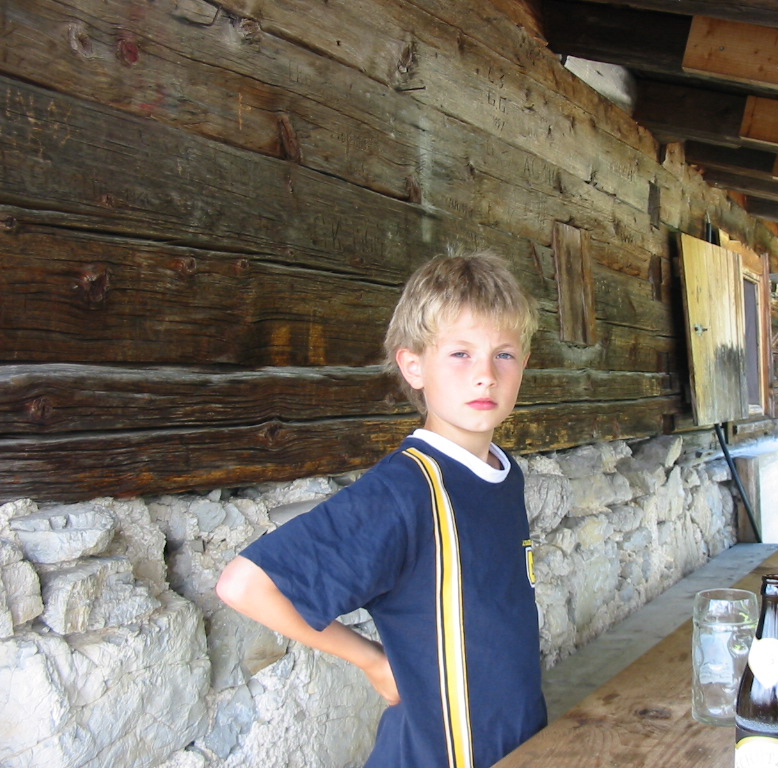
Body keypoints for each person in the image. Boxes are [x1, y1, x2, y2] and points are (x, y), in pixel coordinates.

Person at [216, 249, 547, 768]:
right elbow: (245, 584)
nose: (485, 375)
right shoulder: (407, 490)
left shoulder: (503, 473)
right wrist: (371, 661)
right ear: (413, 366)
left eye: (503, 354)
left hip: (520, 742)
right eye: (460, 354)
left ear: (524, 363)